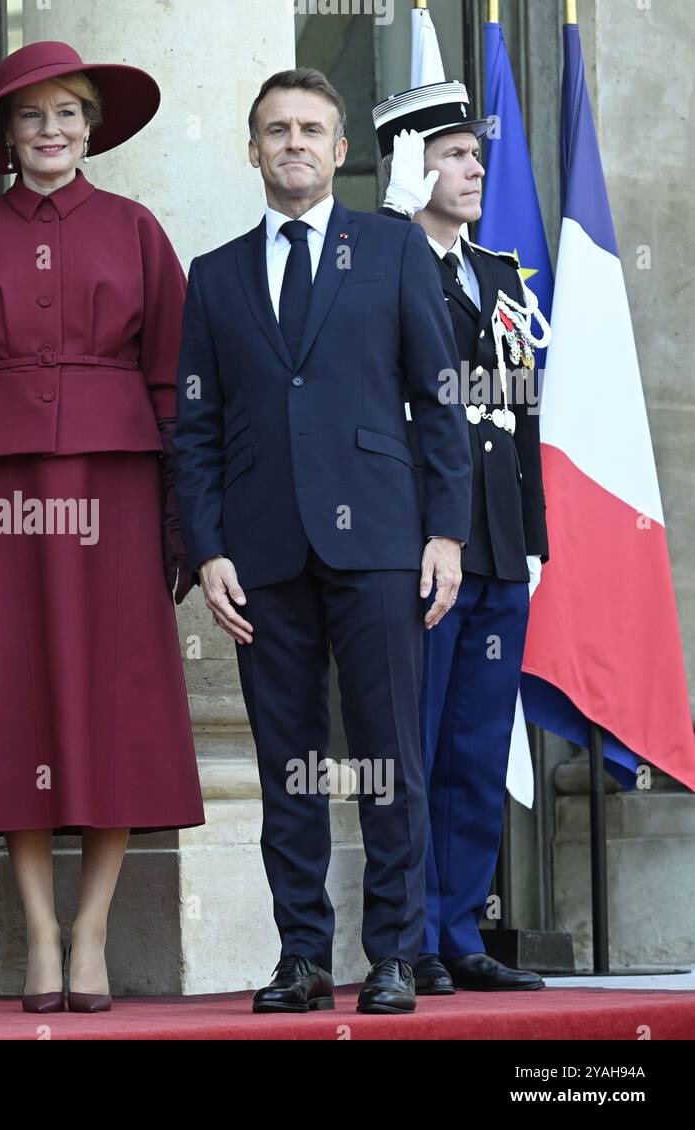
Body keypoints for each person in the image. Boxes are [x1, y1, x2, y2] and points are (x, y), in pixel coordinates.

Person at [176, 68, 471, 1015]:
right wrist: (208, 548)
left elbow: (440, 404)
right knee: (286, 763)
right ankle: (301, 955)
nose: (293, 143)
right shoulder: (214, 276)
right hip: (261, 557)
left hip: (382, 544)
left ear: (341, 152)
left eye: (311, 129)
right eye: (275, 129)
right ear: (252, 148)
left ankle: (392, 954)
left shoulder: (391, 252)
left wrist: (447, 532)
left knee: (387, 756)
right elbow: (196, 427)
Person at [0, 40, 204, 1014]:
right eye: (32, 115)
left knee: (112, 706)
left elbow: (172, 381)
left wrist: (178, 516)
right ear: (7, 133)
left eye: (69, 112)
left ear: (92, 127)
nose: (52, 130)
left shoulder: (134, 229)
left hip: (118, 494)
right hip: (0, 502)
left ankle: (92, 931)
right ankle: (39, 931)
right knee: (16, 708)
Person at [374, 81, 549, 993]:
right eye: (452, 153)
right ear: (410, 165)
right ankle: (411, 940)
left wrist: (534, 542)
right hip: (418, 545)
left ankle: (460, 928)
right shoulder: (380, 262)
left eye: (477, 154)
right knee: (418, 745)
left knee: (477, 746)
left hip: (494, 545)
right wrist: (400, 225)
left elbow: (517, 415)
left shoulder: (500, 273)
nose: (475, 167)